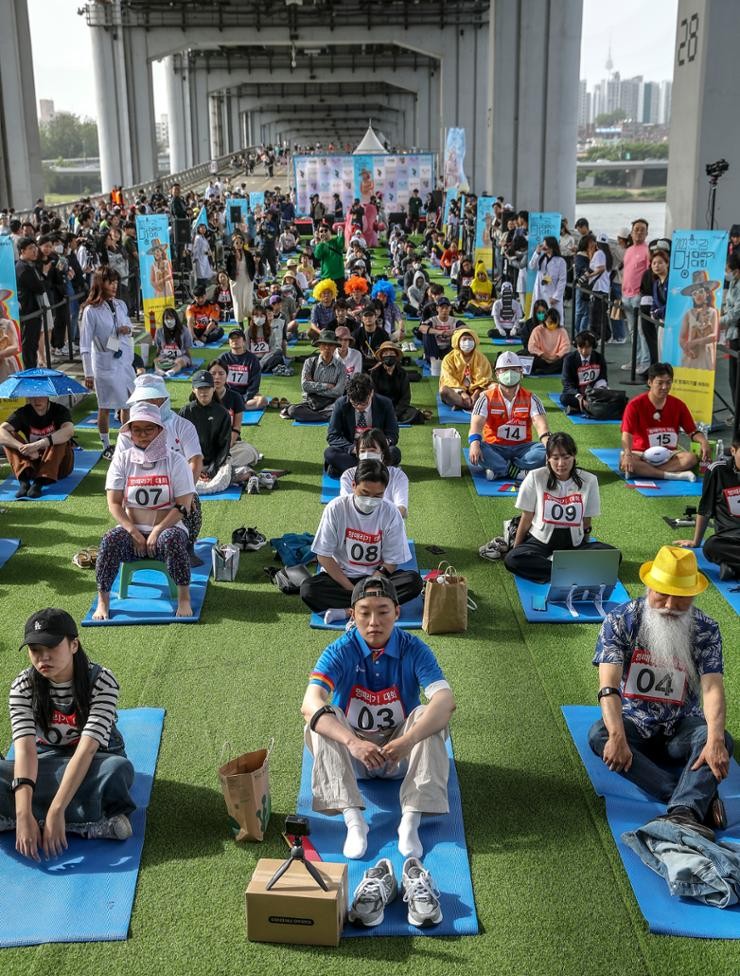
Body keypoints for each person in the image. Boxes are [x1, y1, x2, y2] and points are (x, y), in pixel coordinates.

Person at [301, 576, 452, 930]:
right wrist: (353, 742)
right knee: (322, 719)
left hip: (399, 754)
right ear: (352, 614)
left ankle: (410, 819)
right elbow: (310, 702)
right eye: (365, 613)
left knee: (430, 717)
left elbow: (445, 700)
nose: (374, 622)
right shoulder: (339, 649)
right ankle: (354, 819)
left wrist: (406, 741)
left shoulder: (415, 648)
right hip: (357, 755)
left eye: (383, 612)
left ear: (397, 612)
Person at [587, 545, 732, 840]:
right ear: (648, 587)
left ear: (693, 596)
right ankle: (690, 800)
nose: (668, 604)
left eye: (679, 598)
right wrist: (617, 735)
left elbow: (712, 687)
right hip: (634, 723)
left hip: (682, 725)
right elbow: (608, 685)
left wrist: (715, 738)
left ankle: (684, 807)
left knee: (719, 738)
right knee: (599, 736)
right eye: (661, 593)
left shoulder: (706, 629)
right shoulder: (620, 620)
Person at [0, 608, 136, 860]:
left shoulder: (102, 680)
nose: (43, 658)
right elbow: (25, 751)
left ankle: (33, 817)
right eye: (35, 650)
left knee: (117, 770)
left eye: (51, 647)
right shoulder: (23, 686)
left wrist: (57, 810)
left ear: (74, 645)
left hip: (95, 760)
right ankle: (90, 823)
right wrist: (22, 812)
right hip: (44, 762)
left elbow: (87, 749)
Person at [94, 403, 195, 620]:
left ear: (160, 430)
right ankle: (103, 601)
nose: (142, 435)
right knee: (110, 539)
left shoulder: (175, 460)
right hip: (133, 534)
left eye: (148, 429)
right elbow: (114, 503)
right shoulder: (122, 458)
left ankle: (184, 598)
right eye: (137, 430)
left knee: (171, 540)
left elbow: (183, 505)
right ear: (130, 432)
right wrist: (133, 532)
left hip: (168, 530)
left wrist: (158, 530)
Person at [300, 460, 424, 621]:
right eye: (365, 493)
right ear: (353, 485)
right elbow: (323, 556)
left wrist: (371, 584)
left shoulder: (391, 513)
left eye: (378, 495)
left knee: (413, 582)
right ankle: (374, 607)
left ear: (384, 491)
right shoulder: (336, 508)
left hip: (376, 578)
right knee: (308, 589)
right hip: (342, 578)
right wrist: (353, 590)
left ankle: (349, 611)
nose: (370, 500)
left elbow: (391, 561)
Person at [503, 432, 616, 581]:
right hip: (541, 541)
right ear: (547, 458)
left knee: (614, 556)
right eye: (555, 458)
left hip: (573, 543)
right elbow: (526, 517)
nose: (561, 463)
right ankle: (569, 571)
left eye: (566, 457)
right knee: (513, 559)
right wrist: (516, 548)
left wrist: (586, 550)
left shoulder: (590, 481)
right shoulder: (535, 477)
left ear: (574, 456)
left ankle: (560, 569)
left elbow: (587, 521)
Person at [620, 362, 710, 482]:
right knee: (625, 462)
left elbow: (692, 431)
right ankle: (672, 475)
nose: (665, 387)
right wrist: (627, 454)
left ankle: (647, 472)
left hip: (669, 455)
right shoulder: (634, 405)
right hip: (640, 455)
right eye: (660, 383)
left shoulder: (679, 405)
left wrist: (703, 441)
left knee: (691, 459)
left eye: (668, 382)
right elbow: (627, 434)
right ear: (650, 382)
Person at [79, 268, 135, 459]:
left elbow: (129, 326)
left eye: (116, 282)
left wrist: (127, 329)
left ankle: (127, 442)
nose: (114, 286)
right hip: (104, 363)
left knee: (128, 402)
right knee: (105, 405)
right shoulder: (90, 311)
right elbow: (85, 344)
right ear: (100, 284)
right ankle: (106, 445)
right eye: (110, 282)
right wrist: (88, 373)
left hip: (123, 359)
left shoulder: (120, 304)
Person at [468, 351, 549, 481]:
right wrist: (475, 444)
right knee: (477, 447)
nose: (509, 373)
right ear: (497, 374)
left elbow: (541, 426)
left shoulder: (531, 398)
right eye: (505, 370)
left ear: (521, 372)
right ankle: (518, 471)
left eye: (514, 369)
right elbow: (476, 426)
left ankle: (499, 469)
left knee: (547, 448)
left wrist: (549, 446)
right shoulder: (485, 398)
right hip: (494, 447)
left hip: (523, 448)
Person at [674, 436, 740, 581]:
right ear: (733, 451)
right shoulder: (718, 470)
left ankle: (733, 567)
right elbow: (705, 508)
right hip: (729, 539)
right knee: (710, 547)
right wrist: (696, 541)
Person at [325, 373, 401, 477]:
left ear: (371, 393)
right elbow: (333, 436)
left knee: (394, 452)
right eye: (354, 404)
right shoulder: (341, 404)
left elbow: (393, 434)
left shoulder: (385, 403)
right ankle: (376, 470)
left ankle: (354, 470)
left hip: (376, 451)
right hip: (353, 451)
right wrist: (353, 449)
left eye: (364, 403)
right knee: (330, 453)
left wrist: (381, 445)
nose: (359, 407)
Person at [0, 396, 75, 498]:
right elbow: (1, 431)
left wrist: (37, 445)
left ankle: (39, 483)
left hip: (59, 467)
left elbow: (69, 431)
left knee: (61, 438)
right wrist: (23, 448)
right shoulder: (23, 412)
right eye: (33, 397)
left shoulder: (59, 410)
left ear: (48, 396)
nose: (37, 400)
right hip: (34, 464)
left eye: (41, 397)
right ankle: (24, 482)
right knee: (8, 436)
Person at [179, 371, 234, 495]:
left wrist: (212, 470)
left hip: (213, 463)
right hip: (190, 462)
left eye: (207, 388)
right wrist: (193, 467)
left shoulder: (222, 413)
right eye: (200, 388)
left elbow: (224, 447)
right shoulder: (185, 412)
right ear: (193, 390)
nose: (204, 392)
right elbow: (178, 443)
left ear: (214, 388)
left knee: (225, 471)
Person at [340, 428, 409, 518]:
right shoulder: (348, 475)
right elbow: (347, 507)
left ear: (383, 452)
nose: (367, 454)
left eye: (372, 450)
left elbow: (402, 509)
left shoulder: (398, 476)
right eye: (362, 451)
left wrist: (380, 521)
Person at [281, 330, 346, 423]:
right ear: (319, 346)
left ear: (335, 347)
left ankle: (325, 415)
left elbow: (338, 392)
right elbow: (305, 386)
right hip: (310, 403)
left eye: (331, 345)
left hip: (331, 404)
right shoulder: (309, 362)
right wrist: (326, 386)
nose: (327, 348)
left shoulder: (341, 366)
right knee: (293, 410)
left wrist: (314, 388)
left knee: (341, 409)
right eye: (324, 344)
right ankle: (325, 416)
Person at [439, 329, 493, 411]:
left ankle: (462, 405)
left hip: (477, 391)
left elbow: (484, 379)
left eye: (470, 339)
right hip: (457, 392)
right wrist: (462, 393)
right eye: (464, 339)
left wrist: (475, 394)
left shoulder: (481, 358)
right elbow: (448, 379)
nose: (467, 342)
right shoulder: (449, 358)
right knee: (444, 390)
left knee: (495, 387)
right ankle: (472, 405)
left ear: (474, 341)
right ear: (457, 341)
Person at [679, 271, 721, 372]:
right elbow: (681, 337)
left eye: (701, 291)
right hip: (691, 354)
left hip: (706, 354)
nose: (698, 295)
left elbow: (714, 336)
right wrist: (686, 348)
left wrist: (695, 342)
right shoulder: (688, 313)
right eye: (695, 293)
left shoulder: (713, 312)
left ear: (707, 293)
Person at [216, 328, 267, 410]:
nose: (235, 340)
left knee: (262, 401)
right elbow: (217, 379)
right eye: (232, 338)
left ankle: (233, 407)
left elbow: (255, 383)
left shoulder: (252, 359)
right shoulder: (223, 358)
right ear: (229, 342)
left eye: (238, 338)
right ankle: (236, 406)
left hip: (245, 394)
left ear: (244, 341)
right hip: (226, 393)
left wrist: (244, 398)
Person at [560, 330, 609, 414]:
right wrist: (580, 397)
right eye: (581, 347)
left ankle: (577, 409)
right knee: (564, 398)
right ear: (576, 346)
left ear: (593, 346)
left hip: (594, 392)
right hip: (576, 393)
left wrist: (598, 391)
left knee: (609, 397)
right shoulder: (569, 359)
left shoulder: (599, 358)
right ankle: (591, 408)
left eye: (587, 347)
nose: (584, 351)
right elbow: (567, 382)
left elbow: (602, 378)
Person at [528, 236, 567, 318]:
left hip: (552, 294)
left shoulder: (560, 261)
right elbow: (531, 266)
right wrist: (537, 253)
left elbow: (562, 281)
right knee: (539, 317)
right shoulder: (541, 258)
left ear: (551, 246)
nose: (544, 247)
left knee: (552, 318)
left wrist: (556, 297)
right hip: (539, 292)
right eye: (543, 245)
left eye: (545, 245)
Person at [419, 295, 464, 364]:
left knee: (462, 333)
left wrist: (453, 331)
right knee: (427, 333)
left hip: (449, 349)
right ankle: (432, 358)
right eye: (442, 308)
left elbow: (466, 327)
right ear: (437, 308)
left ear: (450, 308)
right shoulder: (433, 320)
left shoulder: (454, 320)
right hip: (435, 348)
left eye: (446, 308)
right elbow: (421, 328)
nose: (444, 310)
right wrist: (440, 332)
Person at [527, 307, 571, 375]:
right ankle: (552, 370)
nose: (552, 324)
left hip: (557, 360)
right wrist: (543, 355)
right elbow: (531, 346)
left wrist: (557, 356)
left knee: (569, 357)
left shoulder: (562, 331)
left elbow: (566, 347)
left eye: (554, 322)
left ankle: (546, 370)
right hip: (542, 359)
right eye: (550, 322)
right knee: (531, 357)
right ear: (545, 321)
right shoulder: (538, 330)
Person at [721, 253, 740, 404]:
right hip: (733, 334)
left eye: (728, 269)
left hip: (737, 333)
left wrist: (717, 321)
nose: (727, 273)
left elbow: (736, 314)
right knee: (732, 378)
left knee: (737, 378)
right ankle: (736, 416)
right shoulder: (734, 281)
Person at [225, 233, 256, 324]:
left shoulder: (248, 254)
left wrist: (252, 276)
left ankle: (251, 323)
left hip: (247, 279)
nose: (238, 244)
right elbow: (228, 269)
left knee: (247, 302)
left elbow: (252, 266)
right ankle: (241, 325)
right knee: (238, 303)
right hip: (236, 281)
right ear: (233, 244)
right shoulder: (230, 255)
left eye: (240, 242)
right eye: (236, 243)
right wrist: (233, 274)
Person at [154, 308, 193, 378]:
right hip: (165, 356)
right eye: (167, 319)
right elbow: (159, 348)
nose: (169, 321)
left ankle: (171, 372)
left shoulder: (184, 330)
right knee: (156, 361)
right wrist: (157, 358)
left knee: (179, 361)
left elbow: (187, 348)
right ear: (163, 320)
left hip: (181, 356)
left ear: (176, 318)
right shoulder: (159, 331)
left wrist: (190, 360)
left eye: (171, 318)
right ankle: (159, 371)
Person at [353, 305, 391, 372]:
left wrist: (380, 363)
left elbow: (388, 353)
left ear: (376, 317)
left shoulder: (383, 334)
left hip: (379, 364)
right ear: (362, 318)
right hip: (360, 364)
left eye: (371, 315)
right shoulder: (356, 334)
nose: (368, 318)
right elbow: (352, 353)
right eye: (366, 316)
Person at [314, 224, 346, 292]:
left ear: (330, 232)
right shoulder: (320, 245)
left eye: (325, 230)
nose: (323, 233)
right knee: (326, 299)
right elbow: (317, 255)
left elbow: (341, 244)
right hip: (326, 276)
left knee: (340, 299)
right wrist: (321, 242)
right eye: (321, 231)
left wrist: (340, 232)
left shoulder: (336, 241)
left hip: (338, 276)